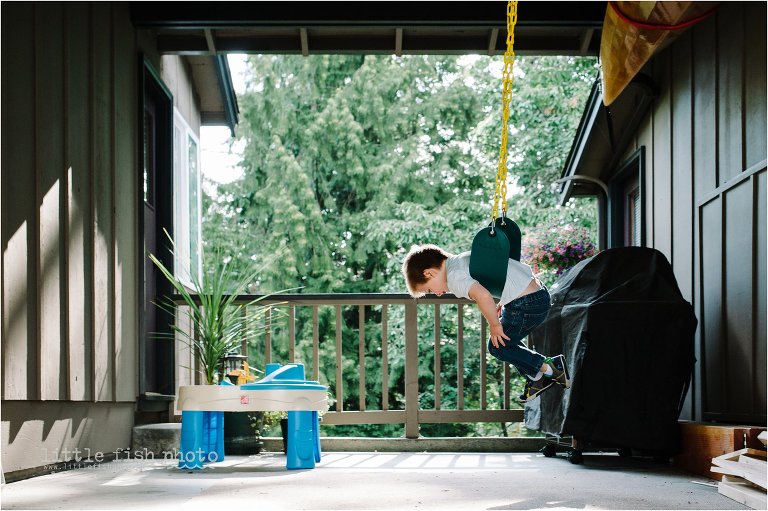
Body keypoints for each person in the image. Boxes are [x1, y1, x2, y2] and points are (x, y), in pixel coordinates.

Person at [402, 243, 570, 402]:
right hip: (534, 293)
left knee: (497, 346)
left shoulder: (454, 277)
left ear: (429, 273)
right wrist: (504, 301)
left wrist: (495, 325)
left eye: (430, 290)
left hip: (527, 302)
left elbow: (482, 296)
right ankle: (537, 377)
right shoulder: (461, 260)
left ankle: (550, 368)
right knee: (506, 342)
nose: (437, 294)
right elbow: (499, 275)